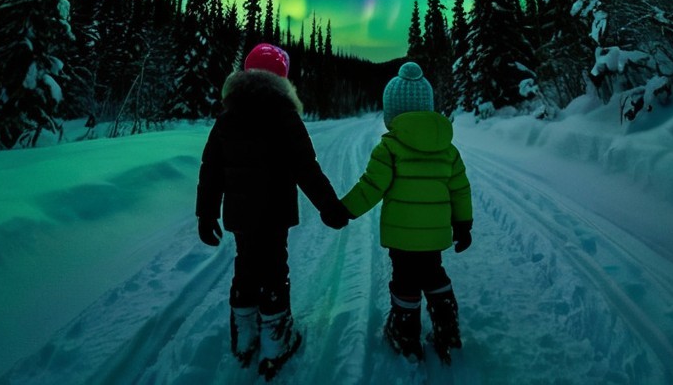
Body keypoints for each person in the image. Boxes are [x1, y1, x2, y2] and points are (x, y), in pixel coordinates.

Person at [196, 43, 350, 378]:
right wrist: (329, 207)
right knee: (274, 270)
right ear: (282, 78)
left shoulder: (227, 117)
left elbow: (211, 169)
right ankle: (276, 342)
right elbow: (306, 168)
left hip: (239, 215)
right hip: (274, 213)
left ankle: (245, 338)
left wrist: (205, 214)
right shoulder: (285, 116)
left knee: (245, 266)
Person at [340, 61, 472, 363]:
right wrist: (463, 224)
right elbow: (460, 189)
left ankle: (405, 331)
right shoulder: (447, 149)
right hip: (435, 235)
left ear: (391, 113)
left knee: (405, 280)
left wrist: (343, 210)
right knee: (434, 272)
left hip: (402, 237)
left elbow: (371, 187)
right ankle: (446, 325)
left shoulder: (389, 147)